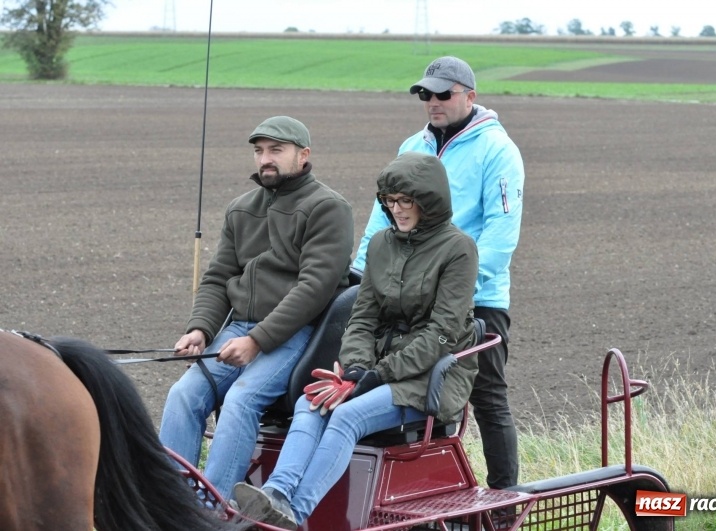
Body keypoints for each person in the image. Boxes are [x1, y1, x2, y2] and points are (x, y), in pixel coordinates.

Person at [231, 151, 480, 530]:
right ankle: (277, 496)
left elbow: (441, 335)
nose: (397, 209)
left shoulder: (458, 249)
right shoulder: (381, 244)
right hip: (375, 370)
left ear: (428, 201)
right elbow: (362, 317)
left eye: (406, 201)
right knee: (311, 402)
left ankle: (294, 517)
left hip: (428, 376)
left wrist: (377, 375)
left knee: (346, 415)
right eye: (390, 201)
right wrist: (357, 368)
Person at [159, 115, 354, 501]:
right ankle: (170, 504)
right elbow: (218, 278)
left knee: (241, 400)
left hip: (299, 333)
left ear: (303, 155)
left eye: (276, 150)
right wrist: (200, 329)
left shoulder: (329, 208)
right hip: (238, 330)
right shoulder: (240, 209)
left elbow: (314, 289)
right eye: (259, 151)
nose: (265, 159)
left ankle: (214, 512)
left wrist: (257, 341)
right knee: (182, 396)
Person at [353, 56, 525, 491]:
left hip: (476, 297)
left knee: (486, 396)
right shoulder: (412, 146)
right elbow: (381, 220)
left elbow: (501, 232)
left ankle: (503, 500)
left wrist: (459, 290)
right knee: (396, 385)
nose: (433, 101)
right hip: (408, 294)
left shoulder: (498, 150)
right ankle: (422, 485)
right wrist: (358, 273)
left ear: (470, 96)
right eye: (425, 94)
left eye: (444, 94)